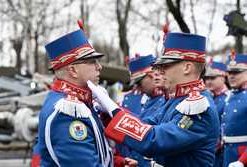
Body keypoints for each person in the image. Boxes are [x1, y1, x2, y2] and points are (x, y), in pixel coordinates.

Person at [87, 32, 220, 167]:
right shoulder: (177, 100)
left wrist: (113, 108)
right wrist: (109, 114)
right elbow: (145, 124)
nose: (160, 71)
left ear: (187, 67)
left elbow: (154, 140)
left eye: (166, 66)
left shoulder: (197, 107)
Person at [34, 20, 137, 167]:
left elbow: (93, 151)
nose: (99, 67)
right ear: (73, 70)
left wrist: (118, 163)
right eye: (92, 61)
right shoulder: (68, 111)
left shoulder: (81, 103)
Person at [117, 54, 166, 167]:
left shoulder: (165, 101)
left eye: (139, 82)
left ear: (152, 76)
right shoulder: (149, 100)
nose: (138, 88)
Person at [221, 52, 247, 167]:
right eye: (230, 72)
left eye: (236, 72)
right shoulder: (230, 95)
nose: (231, 76)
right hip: (227, 153)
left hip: (242, 154)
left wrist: (243, 160)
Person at [204, 61, 229, 167]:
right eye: (207, 78)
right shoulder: (209, 98)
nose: (208, 81)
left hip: (221, 151)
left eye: (213, 78)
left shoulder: (228, 98)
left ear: (223, 78)